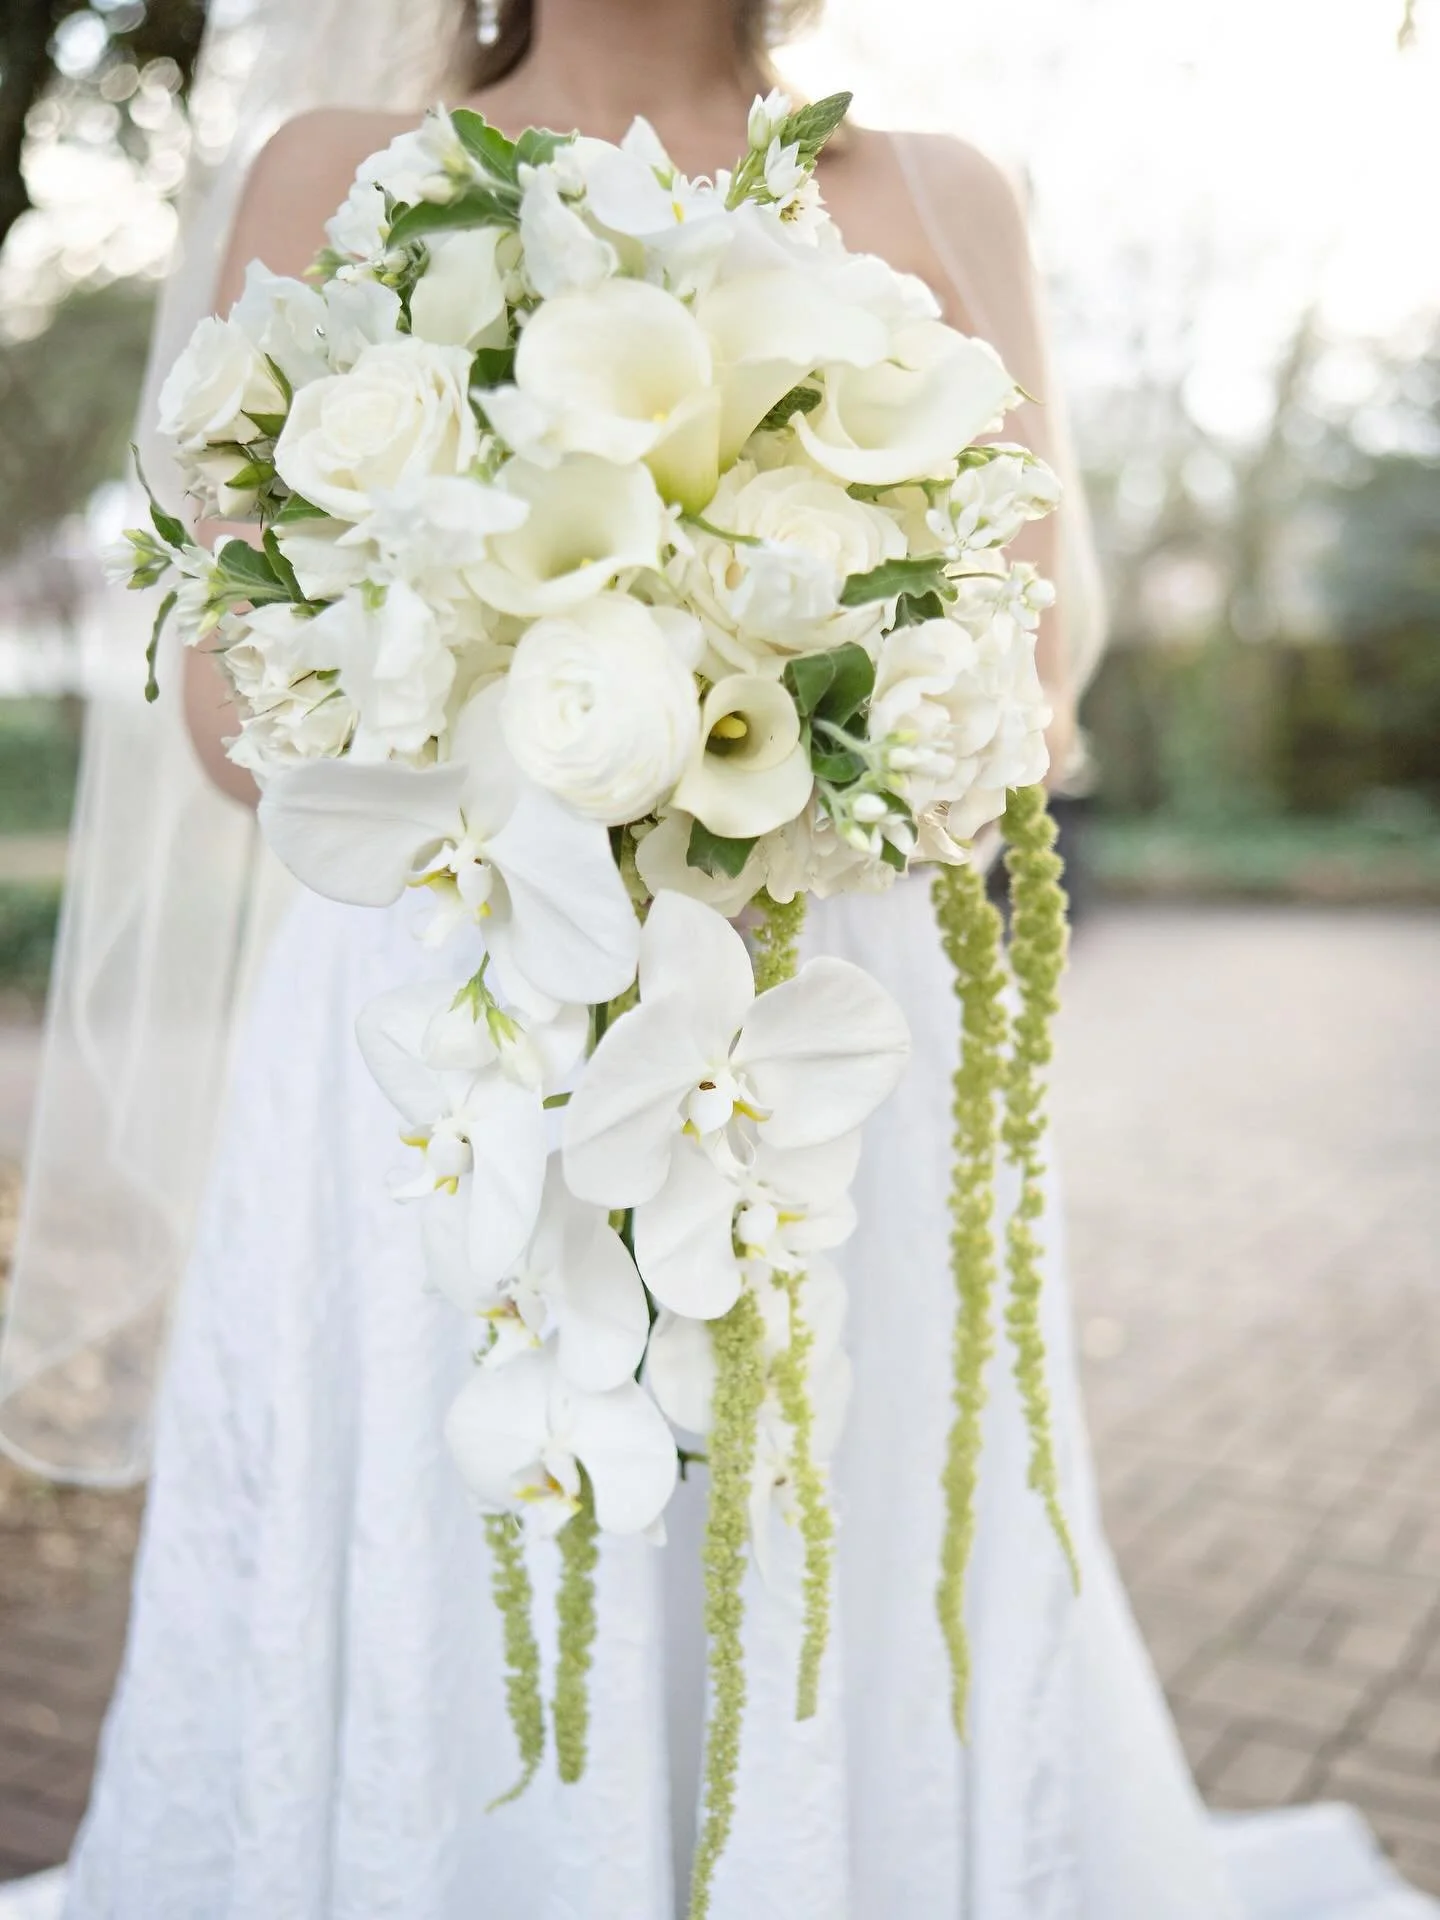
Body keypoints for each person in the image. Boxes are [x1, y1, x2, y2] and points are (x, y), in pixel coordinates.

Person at [0, 2, 1433, 1917]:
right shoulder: (328, 177)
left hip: (821, 1029)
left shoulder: (940, 193)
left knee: (813, 1511)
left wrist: (764, 679)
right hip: (449, 1008)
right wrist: (522, 683)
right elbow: (218, 716)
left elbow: (1036, 664)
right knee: (458, 1499)